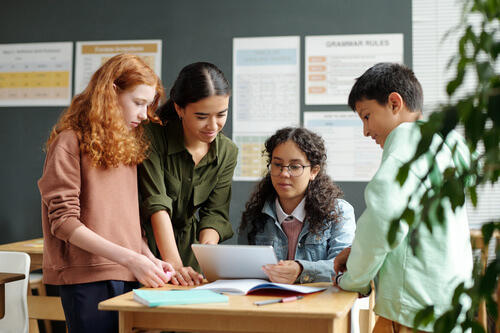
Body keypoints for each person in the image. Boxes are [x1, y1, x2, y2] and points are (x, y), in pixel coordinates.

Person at [38, 54, 175, 333]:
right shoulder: (69, 142)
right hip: (87, 277)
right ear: (111, 93)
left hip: (128, 274)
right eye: (138, 103)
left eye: (148, 105)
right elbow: (64, 223)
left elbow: (127, 225)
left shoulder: (125, 148)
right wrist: (131, 258)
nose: (144, 114)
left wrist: (148, 258)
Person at [333, 62, 473, 332]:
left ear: (394, 103)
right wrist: (357, 252)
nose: (365, 130)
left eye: (366, 116)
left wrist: (354, 279)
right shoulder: (447, 141)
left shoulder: (406, 140)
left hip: (412, 309)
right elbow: (415, 223)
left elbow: (384, 217)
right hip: (449, 304)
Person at [138, 62, 238, 286]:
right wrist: (174, 265)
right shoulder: (151, 137)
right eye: (202, 116)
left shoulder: (227, 152)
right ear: (180, 109)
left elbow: (215, 213)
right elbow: (157, 204)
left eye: (222, 114)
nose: (213, 125)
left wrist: (207, 251)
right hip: (147, 253)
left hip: (190, 258)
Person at [238, 127, 356, 284]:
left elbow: (344, 267)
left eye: (294, 166)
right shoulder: (256, 214)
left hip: (320, 304)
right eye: (277, 164)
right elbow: (242, 266)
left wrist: (302, 270)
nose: (284, 173)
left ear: (313, 171)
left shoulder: (339, 212)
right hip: (266, 302)